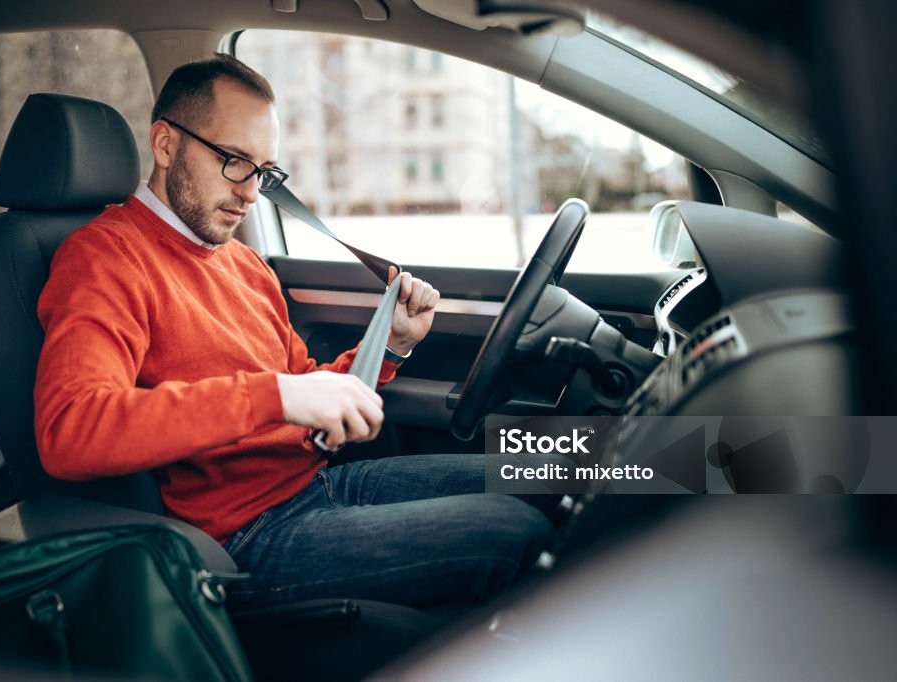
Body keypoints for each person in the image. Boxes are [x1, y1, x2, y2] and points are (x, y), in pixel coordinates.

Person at [34, 54, 554, 609]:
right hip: (245, 538)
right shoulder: (105, 258)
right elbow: (72, 432)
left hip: (321, 484)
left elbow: (304, 388)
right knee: (513, 527)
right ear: (165, 145)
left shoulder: (244, 264)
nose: (252, 192)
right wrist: (275, 395)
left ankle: (664, 455)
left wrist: (393, 344)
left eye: (264, 171)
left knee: (558, 465)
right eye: (235, 161)